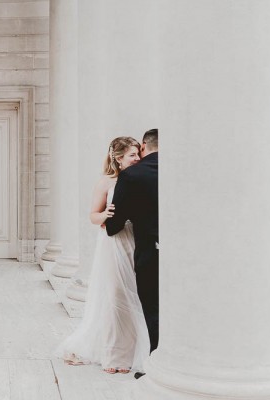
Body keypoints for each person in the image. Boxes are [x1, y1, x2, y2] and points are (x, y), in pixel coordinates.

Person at [55, 136, 150, 374]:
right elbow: (93, 217)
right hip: (115, 242)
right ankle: (114, 355)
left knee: (136, 294)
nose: (138, 158)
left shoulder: (140, 179)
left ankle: (136, 351)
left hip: (137, 240)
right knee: (116, 296)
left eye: (138, 154)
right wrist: (106, 214)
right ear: (118, 159)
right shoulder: (106, 183)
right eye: (132, 155)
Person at [105, 129, 159, 379]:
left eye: (138, 152)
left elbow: (115, 224)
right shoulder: (184, 168)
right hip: (181, 253)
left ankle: (156, 361)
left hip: (147, 247)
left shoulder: (132, 176)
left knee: (151, 305)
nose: (137, 157)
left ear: (146, 147)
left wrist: (117, 219)